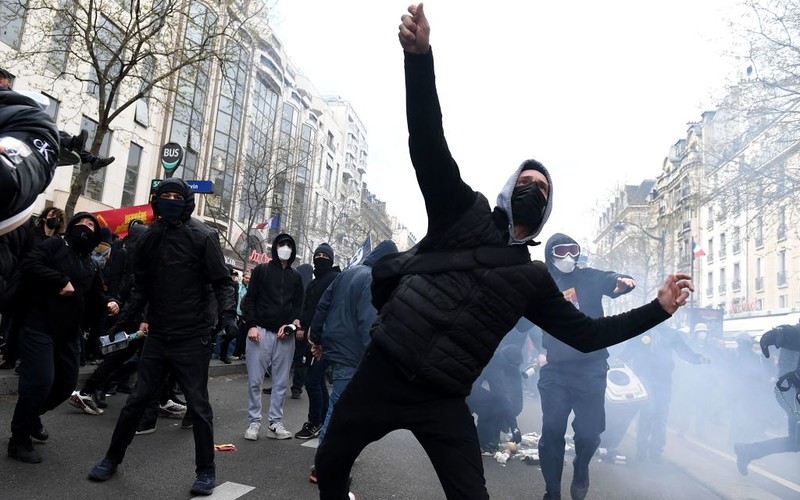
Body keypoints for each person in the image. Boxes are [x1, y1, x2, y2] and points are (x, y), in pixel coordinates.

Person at [313, 6, 694, 499]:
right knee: (332, 459)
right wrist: (419, 59)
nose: (534, 189)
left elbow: (588, 334)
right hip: (384, 369)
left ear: (546, 211)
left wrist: (659, 310)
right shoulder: (461, 211)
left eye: (543, 189)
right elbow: (427, 141)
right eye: (527, 181)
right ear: (508, 188)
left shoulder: (532, 279)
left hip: (444, 396)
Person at [86, 178, 236, 497]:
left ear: (187, 202)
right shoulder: (149, 239)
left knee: (198, 405)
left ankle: (206, 471)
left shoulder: (204, 236)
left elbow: (223, 283)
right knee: (137, 400)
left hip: (192, 337)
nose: (170, 200)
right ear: (156, 200)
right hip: (158, 334)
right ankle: (112, 459)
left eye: (176, 196)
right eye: (164, 196)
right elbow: (141, 288)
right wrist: (121, 323)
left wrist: (228, 316)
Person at [8, 212, 120, 463]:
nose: (85, 226)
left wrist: (110, 302)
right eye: (80, 222)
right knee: (39, 382)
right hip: (38, 325)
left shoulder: (90, 263)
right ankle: (19, 439)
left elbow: (94, 295)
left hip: (68, 334)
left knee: (65, 385)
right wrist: (59, 279)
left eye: (91, 224)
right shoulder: (56, 244)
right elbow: (29, 264)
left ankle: (33, 414)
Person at [536, 233, 636, 500]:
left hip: (591, 367)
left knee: (590, 435)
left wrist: (621, 281)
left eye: (573, 250)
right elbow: (523, 318)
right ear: (550, 255)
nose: (569, 256)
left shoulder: (586, 276)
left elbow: (609, 278)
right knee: (552, 430)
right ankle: (553, 492)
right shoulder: (541, 283)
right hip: (556, 370)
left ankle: (581, 468)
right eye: (561, 251)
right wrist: (539, 349)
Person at [308, 239, 398, 484]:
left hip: (336, 346)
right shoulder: (371, 279)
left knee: (347, 407)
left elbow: (323, 305)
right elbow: (368, 322)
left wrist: (316, 338)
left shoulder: (347, 274)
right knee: (340, 408)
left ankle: (339, 456)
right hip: (354, 352)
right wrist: (375, 358)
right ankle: (323, 465)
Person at [241, 233, 303, 441]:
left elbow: (298, 306)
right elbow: (250, 299)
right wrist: (251, 326)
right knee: (255, 381)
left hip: (284, 336)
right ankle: (254, 422)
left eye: (289, 245)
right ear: (274, 247)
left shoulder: (296, 277)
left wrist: (294, 324)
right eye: (281, 244)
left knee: (281, 382)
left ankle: (275, 423)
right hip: (260, 331)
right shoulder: (262, 270)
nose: (285, 248)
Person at [618, 323, 707, 462]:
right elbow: (631, 349)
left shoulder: (671, 334)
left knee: (661, 416)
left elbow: (683, 351)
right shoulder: (641, 331)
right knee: (649, 411)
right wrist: (619, 360)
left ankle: (656, 451)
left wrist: (697, 358)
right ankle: (641, 448)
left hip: (664, 380)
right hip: (645, 378)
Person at [0, 68, 114, 170]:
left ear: (9, 81)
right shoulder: (8, 96)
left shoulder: (15, 95)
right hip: (12, 125)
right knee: (50, 133)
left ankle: (90, 158)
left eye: (2, 77)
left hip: (19, 125)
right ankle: (77, 148)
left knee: (59, 133)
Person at [734, 324, 800, 474]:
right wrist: (780, 332)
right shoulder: (795, 336)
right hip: (794, 394)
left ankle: (748, 451)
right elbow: (793, 334)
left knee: (794, 442)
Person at [294, 243, 341, 439]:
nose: (320, 257)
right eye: (317, 254)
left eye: (324, 255)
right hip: (312, 338)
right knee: (317, 381)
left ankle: (316, 422)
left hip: (323, 341)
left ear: (331, 259)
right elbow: (308, 307)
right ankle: (324, 421)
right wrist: (302, 324)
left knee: (313, 381)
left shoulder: (334, 279)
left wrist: (319, 336)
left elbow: (328, 310)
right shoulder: (315, 282)